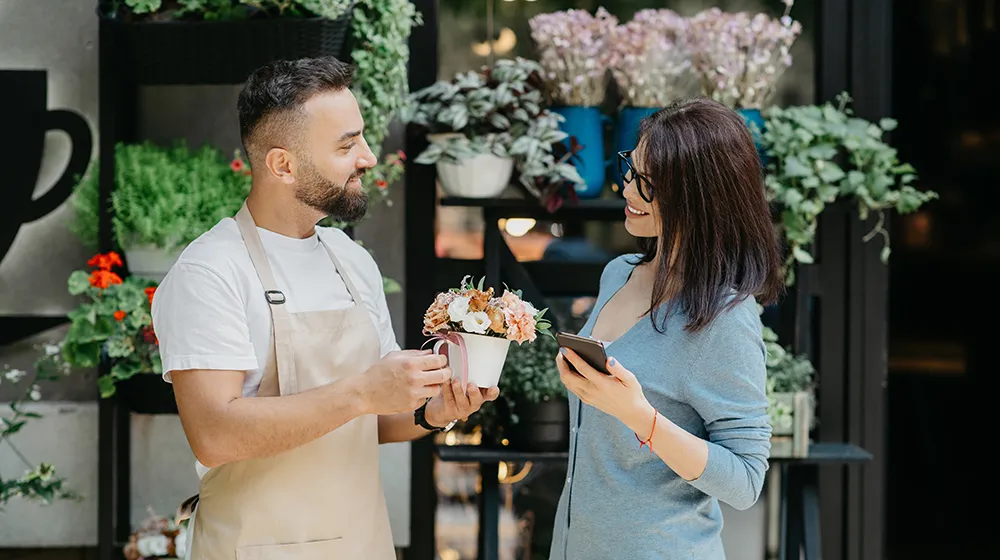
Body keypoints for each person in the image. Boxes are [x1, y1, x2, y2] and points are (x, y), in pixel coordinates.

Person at [151, 56, 499, 560]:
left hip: (361, 545)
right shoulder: (211, 272)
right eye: (346, 145)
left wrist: (433, 411)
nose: (368, 158)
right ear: (282, 165)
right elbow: (214, 435)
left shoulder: (350, 260)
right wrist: (361, 391)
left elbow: (372, 417)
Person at [549, 97, 784, 560]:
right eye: (630, 170)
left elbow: (745, 480)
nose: (627, 191)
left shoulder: (725, 317)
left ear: (699, 196)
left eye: (648, 185)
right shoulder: (618, 273)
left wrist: (639, 415)